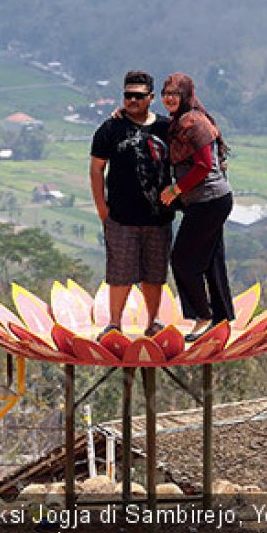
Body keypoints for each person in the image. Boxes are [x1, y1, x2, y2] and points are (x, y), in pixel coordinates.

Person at [89, 70, 174, 339]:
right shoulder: (110, 129)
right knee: (119, 272)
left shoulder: (165, 128)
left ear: (151, 98)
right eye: (128, 95)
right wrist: (102, 208)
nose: (132, 101)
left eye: (138, 96)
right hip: (121, 217)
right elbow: (96, 169)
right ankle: (114, 324)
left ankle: (154, 321)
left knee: (155, 273)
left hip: (158, 216)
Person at [159, 72, 234, 342]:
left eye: (175, 93)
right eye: (166, 92)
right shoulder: (178, 122)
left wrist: (175, 190)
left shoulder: (194, 123)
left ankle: (203, 316)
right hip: (208, 201)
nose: (169, 97)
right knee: (212, 259)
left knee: (183, 261)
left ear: (186, 96)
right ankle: (222, 317)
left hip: (209, 200)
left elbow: (203, 165)